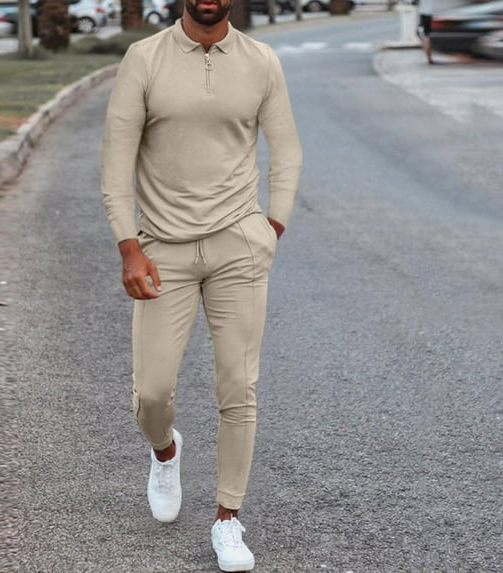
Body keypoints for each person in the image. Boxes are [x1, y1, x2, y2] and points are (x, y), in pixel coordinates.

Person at [101, 0, 302, 570]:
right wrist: (129, 245)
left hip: (239, 244)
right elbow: (116, 161)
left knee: (239, 385)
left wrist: (272, 226)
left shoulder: (261, 60)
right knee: (152, 393)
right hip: (162, 249)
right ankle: (165, 452)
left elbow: (286, 149)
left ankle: (227, 519)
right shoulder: (145, 59)